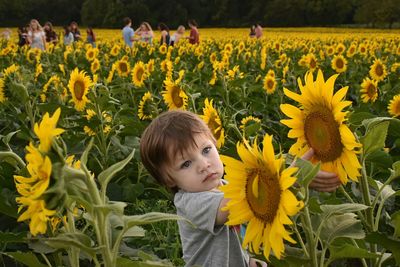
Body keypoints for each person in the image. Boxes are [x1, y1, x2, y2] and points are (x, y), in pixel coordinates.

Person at [140, 110, 269, 267]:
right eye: (186, 164)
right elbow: (235, 206)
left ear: (215, 143)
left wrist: (249, 259)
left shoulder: (226, 187)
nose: (203, 165)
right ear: (169, 180)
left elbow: (242, 229)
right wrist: (267, 176)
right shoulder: (190, 204)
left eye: (206, 150)